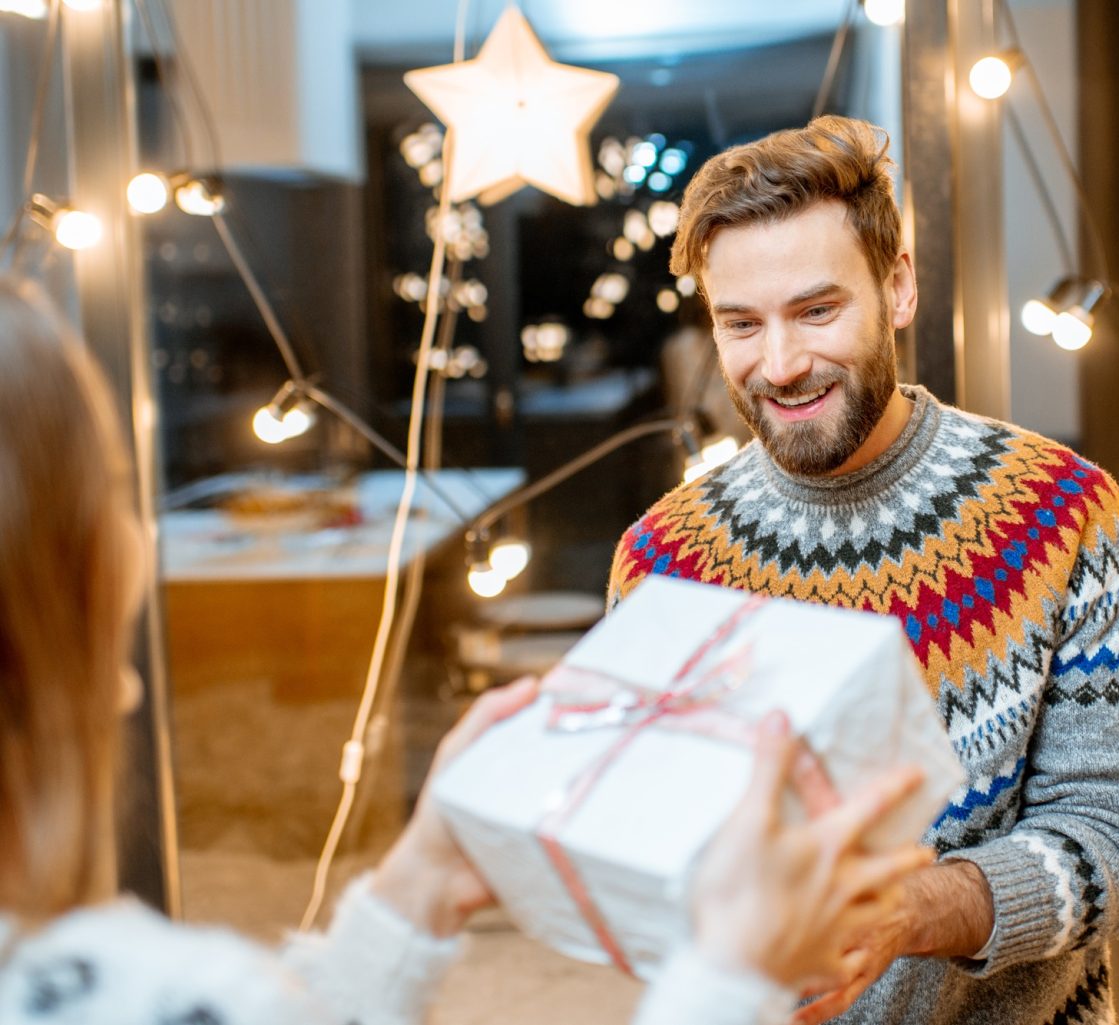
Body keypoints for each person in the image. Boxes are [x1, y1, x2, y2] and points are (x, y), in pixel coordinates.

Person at [0, 275, 933, 1024]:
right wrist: (730, 974)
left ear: (898, 289)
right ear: (64, 567)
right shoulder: (157, 986)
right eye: (117, 488)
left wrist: (414, 884)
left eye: (817, 308)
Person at [608, 115, 1119, 1025]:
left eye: (817, 310)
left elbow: (1115, 842)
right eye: (741, 325)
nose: (782, 364)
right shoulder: (660, 561)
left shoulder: (1065, 513)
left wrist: (909, 912)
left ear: (899, 287)